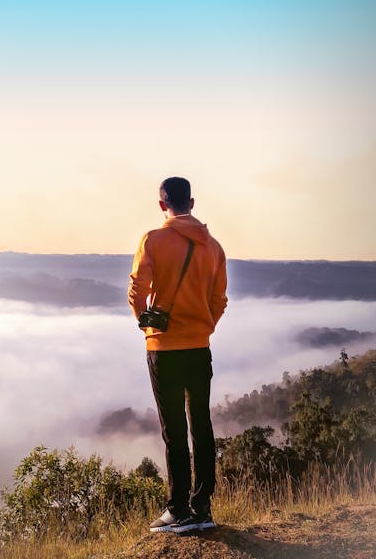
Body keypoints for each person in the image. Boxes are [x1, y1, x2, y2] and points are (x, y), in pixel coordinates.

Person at [128, 176, 228, 534]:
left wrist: (147, 324)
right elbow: (219, 300)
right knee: (202, 425)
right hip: (199, 346)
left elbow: (137, 290)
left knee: (174, 430)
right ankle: (203, 508)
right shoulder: (213, 247)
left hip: (164, 348)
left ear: (162, 205)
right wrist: (203, 327)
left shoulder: (153, 240)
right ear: (192, 202)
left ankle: (177, 509)